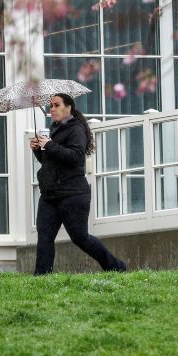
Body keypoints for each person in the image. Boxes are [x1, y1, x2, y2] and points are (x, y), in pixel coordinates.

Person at [30, 93, 127, 275]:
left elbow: (75, 156)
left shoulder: (76, 129)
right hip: (50, 195)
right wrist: (38, 149)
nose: (52, 109)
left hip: (72, 194)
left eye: (56, 105)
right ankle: (41, 276)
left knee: (80, 238)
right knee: (44, 236)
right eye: (50, 106)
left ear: (69, 108)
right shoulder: (54, 129)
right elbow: (50, 162)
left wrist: (50, 145)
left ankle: (116, 266)